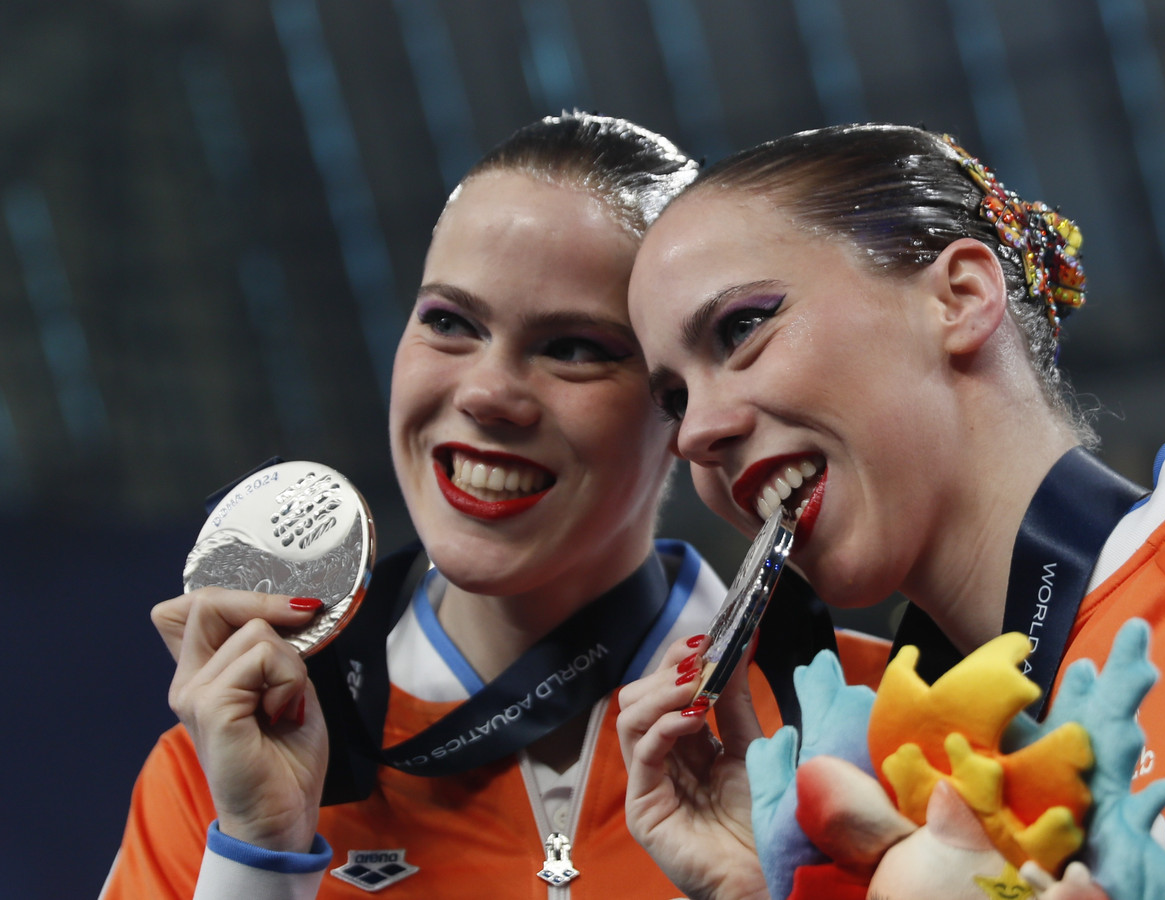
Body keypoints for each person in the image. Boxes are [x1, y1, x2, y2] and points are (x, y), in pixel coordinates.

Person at [101, 111, 889, 900]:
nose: (485, 393)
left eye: (573, 348)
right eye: (450, 322)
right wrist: (259, 857)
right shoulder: (224, 774)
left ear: (678, 400)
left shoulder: (868, 717)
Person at [618, 124, 1165, 899]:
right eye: (673, 399)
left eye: (742, 327)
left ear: (959, 297)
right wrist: (771, 888)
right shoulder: (870, 791)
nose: (694, 434)